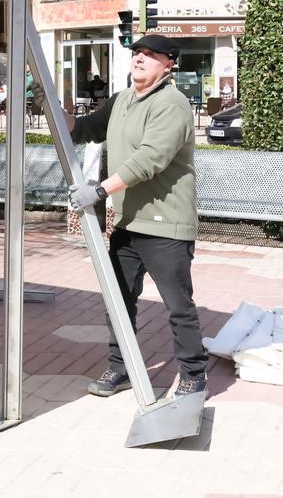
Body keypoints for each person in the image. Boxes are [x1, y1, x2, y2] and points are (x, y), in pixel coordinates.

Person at [49, 34, 207, 398]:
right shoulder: (121, 101)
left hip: (166, 226)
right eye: (137, 52)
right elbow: (86, 130)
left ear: (169, 64)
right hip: (127, 223)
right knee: (118, 301)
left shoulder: (173, 104)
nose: (139, 58)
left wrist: (101, 190)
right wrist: (55, 109)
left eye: (150, 55)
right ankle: (121, 367)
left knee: (178, 306)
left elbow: (150, 158)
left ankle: (194, 375)